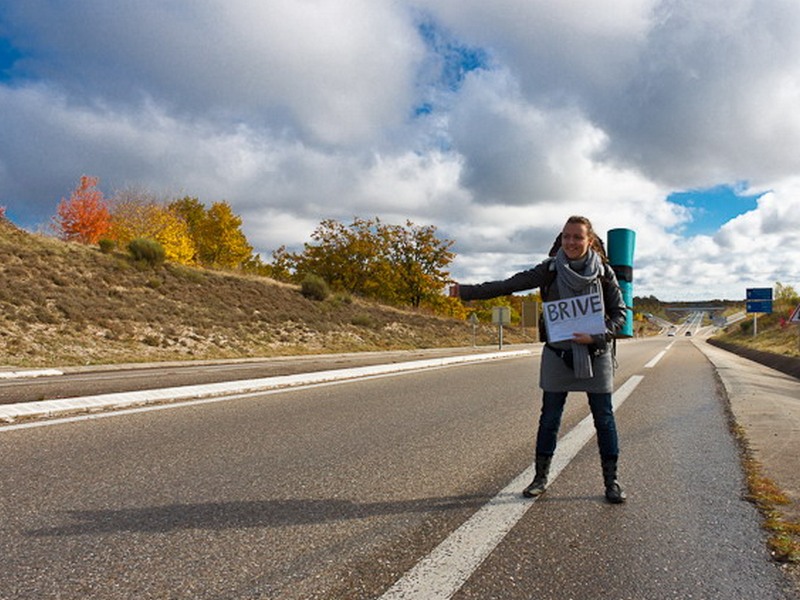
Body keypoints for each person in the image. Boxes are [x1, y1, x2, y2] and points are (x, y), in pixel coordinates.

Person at [451, 216, 628, 503]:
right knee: (549, 419)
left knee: (604, 419)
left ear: (590, 241)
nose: (571, 242)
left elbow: (620, 314)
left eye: (577, 237)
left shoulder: (604, 273)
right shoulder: (549, 270)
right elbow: (510, 285)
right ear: (561, 238)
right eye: (566, 236)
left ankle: (612, 482)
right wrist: (468, 292)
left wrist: (597, 336)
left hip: (596, 354)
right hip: (558, 354)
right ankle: (540, 478)